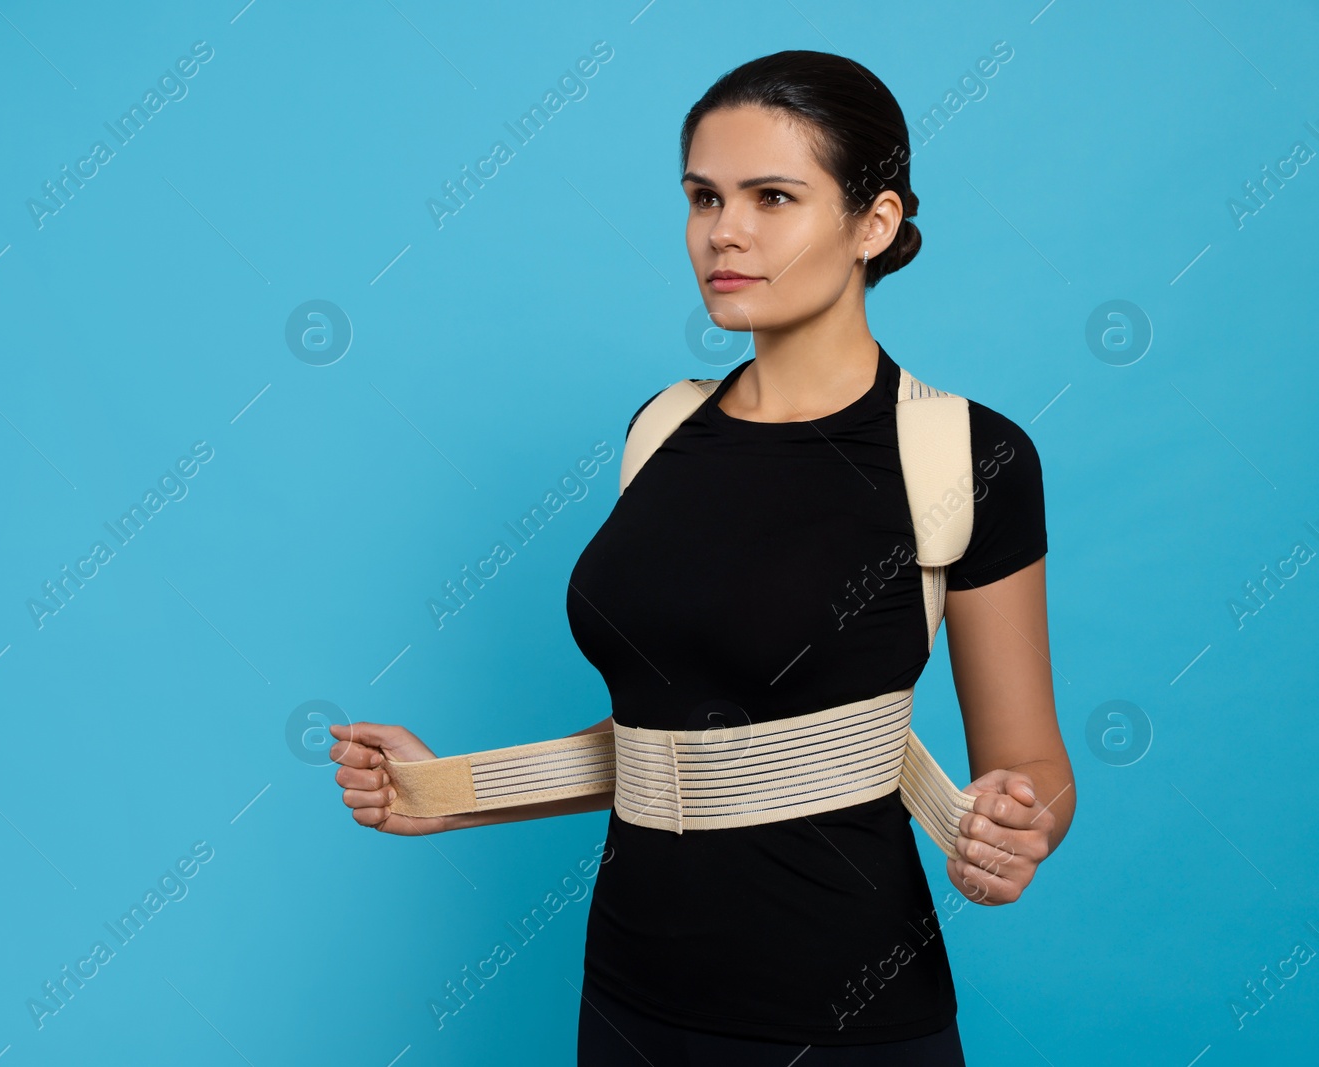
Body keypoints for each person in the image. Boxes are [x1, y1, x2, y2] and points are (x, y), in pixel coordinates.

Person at [328, 49, 1075, 1066]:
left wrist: (1012, 827)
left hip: (843, 1012)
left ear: (875, 223)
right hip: (631, 998)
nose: (724, 230)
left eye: (773, 197)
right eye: (703, 196)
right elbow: (675, 734)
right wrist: (449, 792)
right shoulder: (661, 431)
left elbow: (1030, 766)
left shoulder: (965, 456)